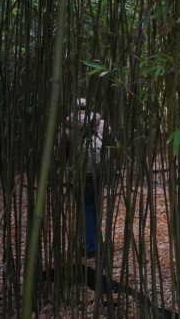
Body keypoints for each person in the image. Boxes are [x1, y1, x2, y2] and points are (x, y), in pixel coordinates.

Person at [61, 98, 109, 258]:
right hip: (98, 172)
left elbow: (59, 153)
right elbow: (113, 147)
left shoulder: (68, 127)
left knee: (85, 208)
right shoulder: (102, 124)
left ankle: (90, 246)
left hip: (79, 174)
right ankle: (95, 242)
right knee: (95, 207)